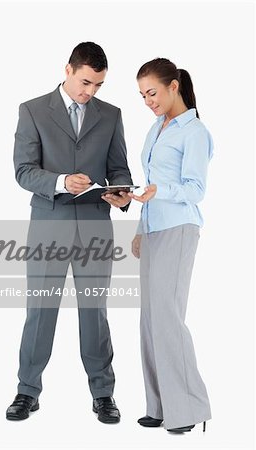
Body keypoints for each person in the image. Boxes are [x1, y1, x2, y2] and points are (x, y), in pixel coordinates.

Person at [6, 42, 132, 423]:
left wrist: (120, 193)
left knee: (95, 312)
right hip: (49, 224)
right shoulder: (32, 110)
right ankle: (28, 390)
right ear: (68, 69)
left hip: (95, 225)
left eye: (98, 85)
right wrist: (61, 181)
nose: (89, 92)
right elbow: (23, 170)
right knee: (40, 310)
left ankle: (103, 393)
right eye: (85, 82)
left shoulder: (111, 115)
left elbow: (119, 168)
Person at [128, 58, 213, 433]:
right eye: (143, 95)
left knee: (168, 319)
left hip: (179, 229)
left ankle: (189, 410)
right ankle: (160, 405)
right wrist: (139, 229)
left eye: (153, 92)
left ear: (173, 86)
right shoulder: (156, 128)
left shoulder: (194, 131)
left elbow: (196, 191)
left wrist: (160, 192)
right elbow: (148, 183)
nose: (148, 100)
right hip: (153, 230)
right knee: (150, 321)